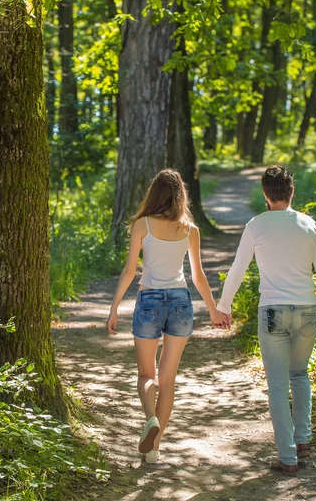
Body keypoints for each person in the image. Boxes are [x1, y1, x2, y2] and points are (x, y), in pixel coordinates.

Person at [217, 165, 316, 475]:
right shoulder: (309, 225)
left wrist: (223, 306)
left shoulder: (257, 225)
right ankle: (303, 440)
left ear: (265, 194)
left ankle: (288, 457)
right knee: (300, 373)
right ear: (291, 191)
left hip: (272, 312)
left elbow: (238, 270)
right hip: (308, 310)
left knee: (279, 386)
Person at [107, 169, 229, 463]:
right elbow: (198, 276)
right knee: (168, 380)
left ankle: (151, 419)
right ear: (181, 195)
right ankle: (155, 449)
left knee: (146, 375)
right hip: (180, 302)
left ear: (154, 193)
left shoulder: (142, 225)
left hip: (148, 299)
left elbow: (129, 272)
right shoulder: (190, 229)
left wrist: (114, 308)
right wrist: (213, 309)